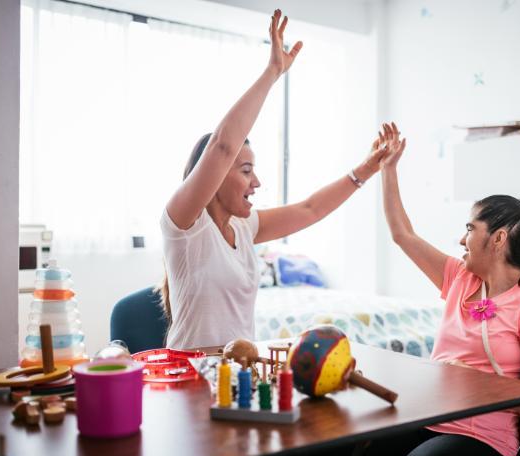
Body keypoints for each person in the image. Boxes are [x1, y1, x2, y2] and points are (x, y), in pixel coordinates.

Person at [159, 10, 392, 350]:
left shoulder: (244, 227)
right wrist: (272, 73)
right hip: (192, 374)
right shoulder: (184, 225)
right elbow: (223, 146)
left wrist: (367, 170)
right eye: (246, 171)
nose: (257, 183)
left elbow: (311, 209)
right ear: (214, 176)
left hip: (240, 374)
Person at [370, 123, 520, 456]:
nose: (462, 240)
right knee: (351, 448)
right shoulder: (460, 277)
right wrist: (389, 169)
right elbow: (403, 235)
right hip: (428, 419)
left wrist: (471, 383)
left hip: (483, 438)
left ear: (499, 238)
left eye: (470, 229)